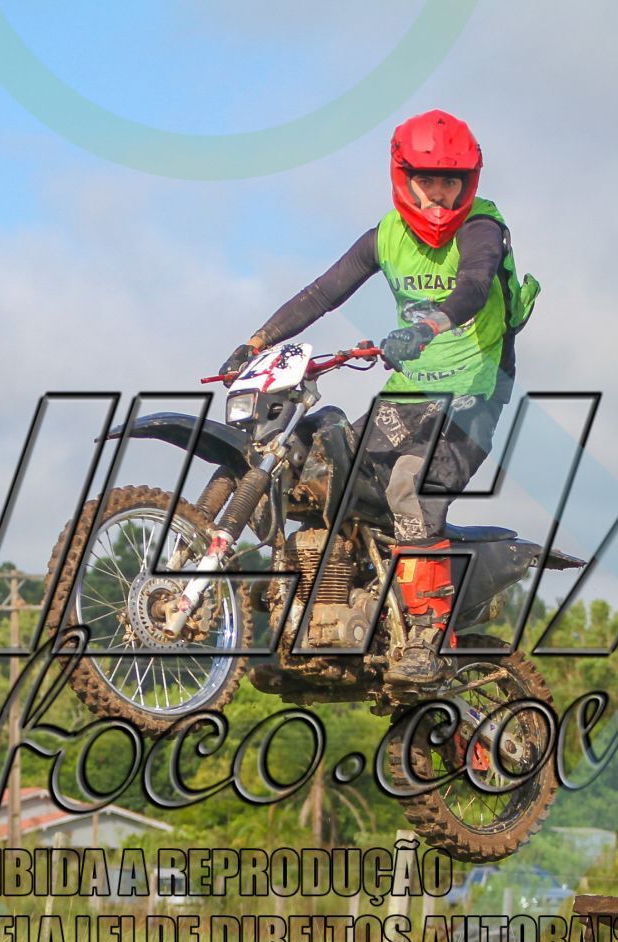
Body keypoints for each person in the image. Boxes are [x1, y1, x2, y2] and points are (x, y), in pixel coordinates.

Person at [217, 109, 539, 683]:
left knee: (408, 487)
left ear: (468, 183)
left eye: (451, 182)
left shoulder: (482, 229)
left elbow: (473, 284)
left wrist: (428, 327)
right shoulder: (384, 238)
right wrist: (256, 342)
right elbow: (322, 292)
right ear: (404, 178)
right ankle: (319, 618)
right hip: (410, 390)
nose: (439, 195)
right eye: (428, 180)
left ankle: (427, 637)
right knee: (326, 471)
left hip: (474, 394)